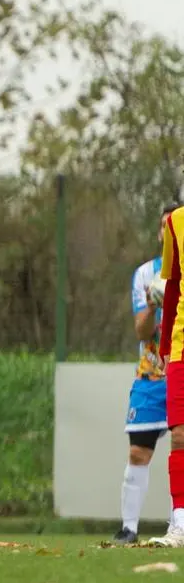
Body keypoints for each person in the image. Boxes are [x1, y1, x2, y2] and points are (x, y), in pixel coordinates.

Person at [114, 204, 177, 544]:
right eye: (164, 228)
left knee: (182, 449)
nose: (169, 233)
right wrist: (153, 304)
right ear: (159, 234)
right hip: (152, 376)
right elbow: (141, 332)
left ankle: (177, 527)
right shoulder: (145, 275)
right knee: (139, 451)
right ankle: (129, 529)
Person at [152, 202, 184, 547]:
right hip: (181, 346)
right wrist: (164, 346)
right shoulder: (176, 222)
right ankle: (180, 524)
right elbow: (173, 286)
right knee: (179, 434)